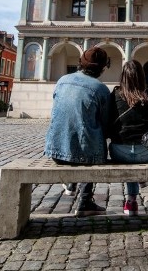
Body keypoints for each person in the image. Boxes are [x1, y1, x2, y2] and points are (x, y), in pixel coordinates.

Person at [43, 46, 111, 216]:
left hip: (56, 151)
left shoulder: (62, 80)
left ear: (80, 63)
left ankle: (70, 183)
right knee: (94, 139)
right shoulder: (100, 89)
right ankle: (85, 201)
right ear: (102, 68)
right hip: (87, 156)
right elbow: (106, 123)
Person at [107, 60, 148, 216]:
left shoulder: (114, 95)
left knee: (130, 156)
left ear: (123, 76)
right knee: (138, 154)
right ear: (142, 76)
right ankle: (138, 184)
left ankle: (131, 202)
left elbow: (110, 125)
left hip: (120, 151)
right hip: (146, 152)